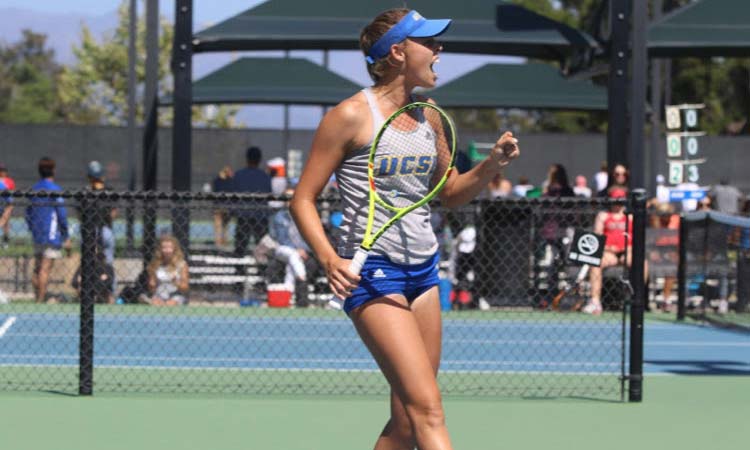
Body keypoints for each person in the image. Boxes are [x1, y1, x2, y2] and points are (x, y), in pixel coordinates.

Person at [289, 9, 519, 449]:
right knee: (429, 411)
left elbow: (448, 193)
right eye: (428, 42)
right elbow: (302, 199)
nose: (438, 49)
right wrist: (327, 257)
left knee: (406, 423)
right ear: (397, 52)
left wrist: (491, 166)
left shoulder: (430, 115)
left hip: (424, 272)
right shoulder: (350, 116)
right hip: (374, 272)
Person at [584, 186, 648, 315]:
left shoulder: (630, 216)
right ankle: (595, 301)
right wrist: (609, 248)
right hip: (609, 252)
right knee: (595, 263)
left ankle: (635, 299)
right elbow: (597, 237)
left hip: (627, 251)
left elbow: (637, 238)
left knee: (641, 264)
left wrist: (627, 248)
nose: (617, 204)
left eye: (620, 201)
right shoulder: (604, 215)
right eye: (615, 201)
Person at [26, 157, 70, 303]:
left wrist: (33, 229)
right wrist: (66, 236)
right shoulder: (55, 190)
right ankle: (40, 299)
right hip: (51, 235)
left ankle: (37, 297)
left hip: (37, 235)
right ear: (53, 170)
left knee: (36, 269)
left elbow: (28, 213)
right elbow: (61, 214)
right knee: (45, 269)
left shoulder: (34, 189)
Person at [269, 187, 321, 308]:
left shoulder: (305, 216)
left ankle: (289, 296)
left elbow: (310, 237)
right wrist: (296, 249)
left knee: (295, 261)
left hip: (302, 253)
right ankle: (301, 295)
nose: (289, 200)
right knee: (293, 255)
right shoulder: (278, 217)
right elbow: (279, 238)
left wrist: (303, 249)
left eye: (292, 197)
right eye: (286, 198)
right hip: (283, 250)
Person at [232, 146, 272, 256]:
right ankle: (263, 269)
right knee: (262, 244)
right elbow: (268, 193)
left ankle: (239, 268)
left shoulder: (239, 175)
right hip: (260, 214)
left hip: (243, 213)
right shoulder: (265, 176)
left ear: (247, 158)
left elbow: (234, 194)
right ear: (259, 159)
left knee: (240, 244)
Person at [145, 234, 189, 306]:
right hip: (159, 295)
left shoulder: (182, 264)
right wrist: (152, 284)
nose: (167, 251)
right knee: (156, 303)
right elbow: (151, 288)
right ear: (160, 249)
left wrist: (176, 282)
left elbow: (185, 288)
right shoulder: (155, 264)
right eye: (164, 248)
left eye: (170, 248)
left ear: (175, 249)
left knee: (171, 304)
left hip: (175, 295)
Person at [211, 165, 234, 247]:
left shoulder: (229, 181)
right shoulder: (218, 181)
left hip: (226, 206)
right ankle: (218, 242)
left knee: (225, 226)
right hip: (219, 206)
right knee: (219, 226)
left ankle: (224, 242)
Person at [0, 163, 15, 247]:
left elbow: (11, 196)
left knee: (6, 223)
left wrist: (9, 208)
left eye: (3, 170)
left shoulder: (9, 181)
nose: (2, 172)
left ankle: (5, 241)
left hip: (4, 205)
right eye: (1, 170)